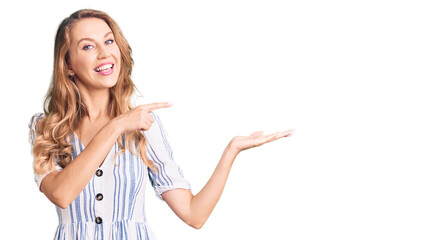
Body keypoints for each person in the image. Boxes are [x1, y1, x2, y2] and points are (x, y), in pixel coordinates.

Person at [28, 9, 294, 240]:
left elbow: (194, 215)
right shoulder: (47, 128)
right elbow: (61, 194)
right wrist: (116, 126)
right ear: (68, 65)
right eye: (88, 46)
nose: (104, 54)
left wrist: (231, 151)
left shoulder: (144, 126)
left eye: (109, 42)